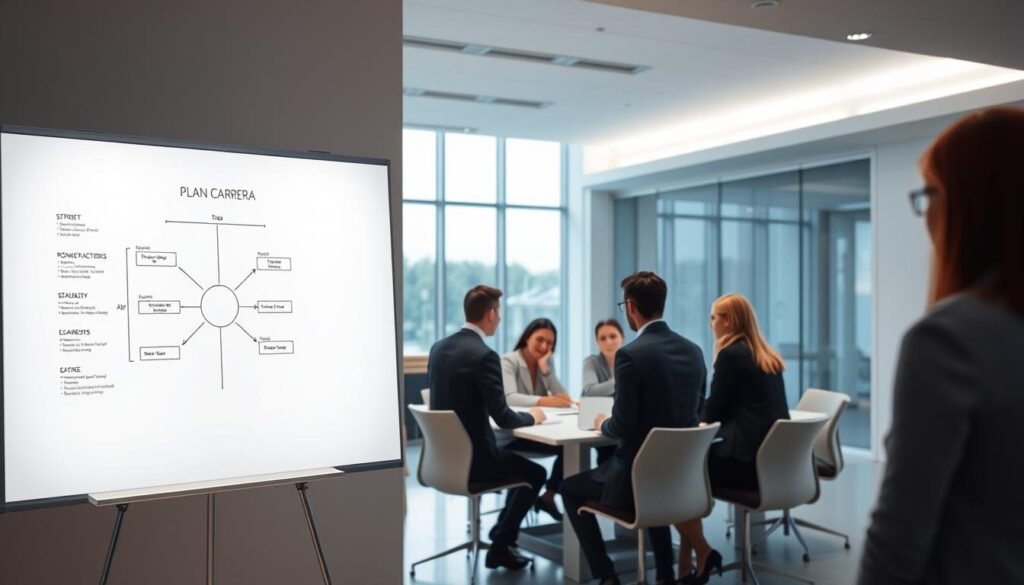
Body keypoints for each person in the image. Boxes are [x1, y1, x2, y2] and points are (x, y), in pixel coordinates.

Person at [858, 107, 1024, 585]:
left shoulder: (949, 341)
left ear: (972, 206)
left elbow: (898, 540)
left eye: (930, 194)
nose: (926, 213)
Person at [560, 272, 707, 585]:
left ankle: (606, 575)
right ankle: (664, 575)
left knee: (568, 488)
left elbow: (622, 425)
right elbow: (698, 411)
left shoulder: (631, 355)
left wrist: (603, 422)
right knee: (650, 470)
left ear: (630, 307)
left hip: (635, 484)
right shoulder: (695, 351)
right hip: (679, 480)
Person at [427, 285, 548, 572]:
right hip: (476, 463)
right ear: (491, 314)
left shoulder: (439, 348)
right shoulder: (484, 355)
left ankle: (500, 538)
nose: (501, 319)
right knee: (536, 473)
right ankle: (500, 545)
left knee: (520, 464)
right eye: (500, 313)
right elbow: (504, 418)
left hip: (441, 462)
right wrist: (533, 417)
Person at [673, 293, 790, 584]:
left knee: (676, 479)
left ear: (729, 321)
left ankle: (698, 554)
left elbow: (714, 411)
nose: (710, 323)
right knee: (688, 474)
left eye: (714, 317)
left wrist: (687, 410)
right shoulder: (766, 355)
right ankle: (687, 564)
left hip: (747, 466)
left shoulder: (731, 355)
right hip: (775, 466)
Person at [501, 318, 573, 521]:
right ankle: (507, 529)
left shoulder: (546, 364)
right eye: (539, 340)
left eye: (550, 343)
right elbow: (509, 398)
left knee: (569, 448)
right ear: (526, 338)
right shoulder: (509, 361)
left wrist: (546, 370)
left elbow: (564, 398)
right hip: (511, 436)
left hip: (535, 433)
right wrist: (545, 401)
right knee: (537, 469)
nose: (544, 347)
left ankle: (549, 495)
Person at [581, 319, 625, 397]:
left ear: (622, 337)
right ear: (597, 342)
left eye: (613, 336)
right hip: (596, 409)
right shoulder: (591, 362)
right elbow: (590, 391)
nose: (608, 342)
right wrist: (622, 379)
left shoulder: (631, 361)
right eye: (602, 338)